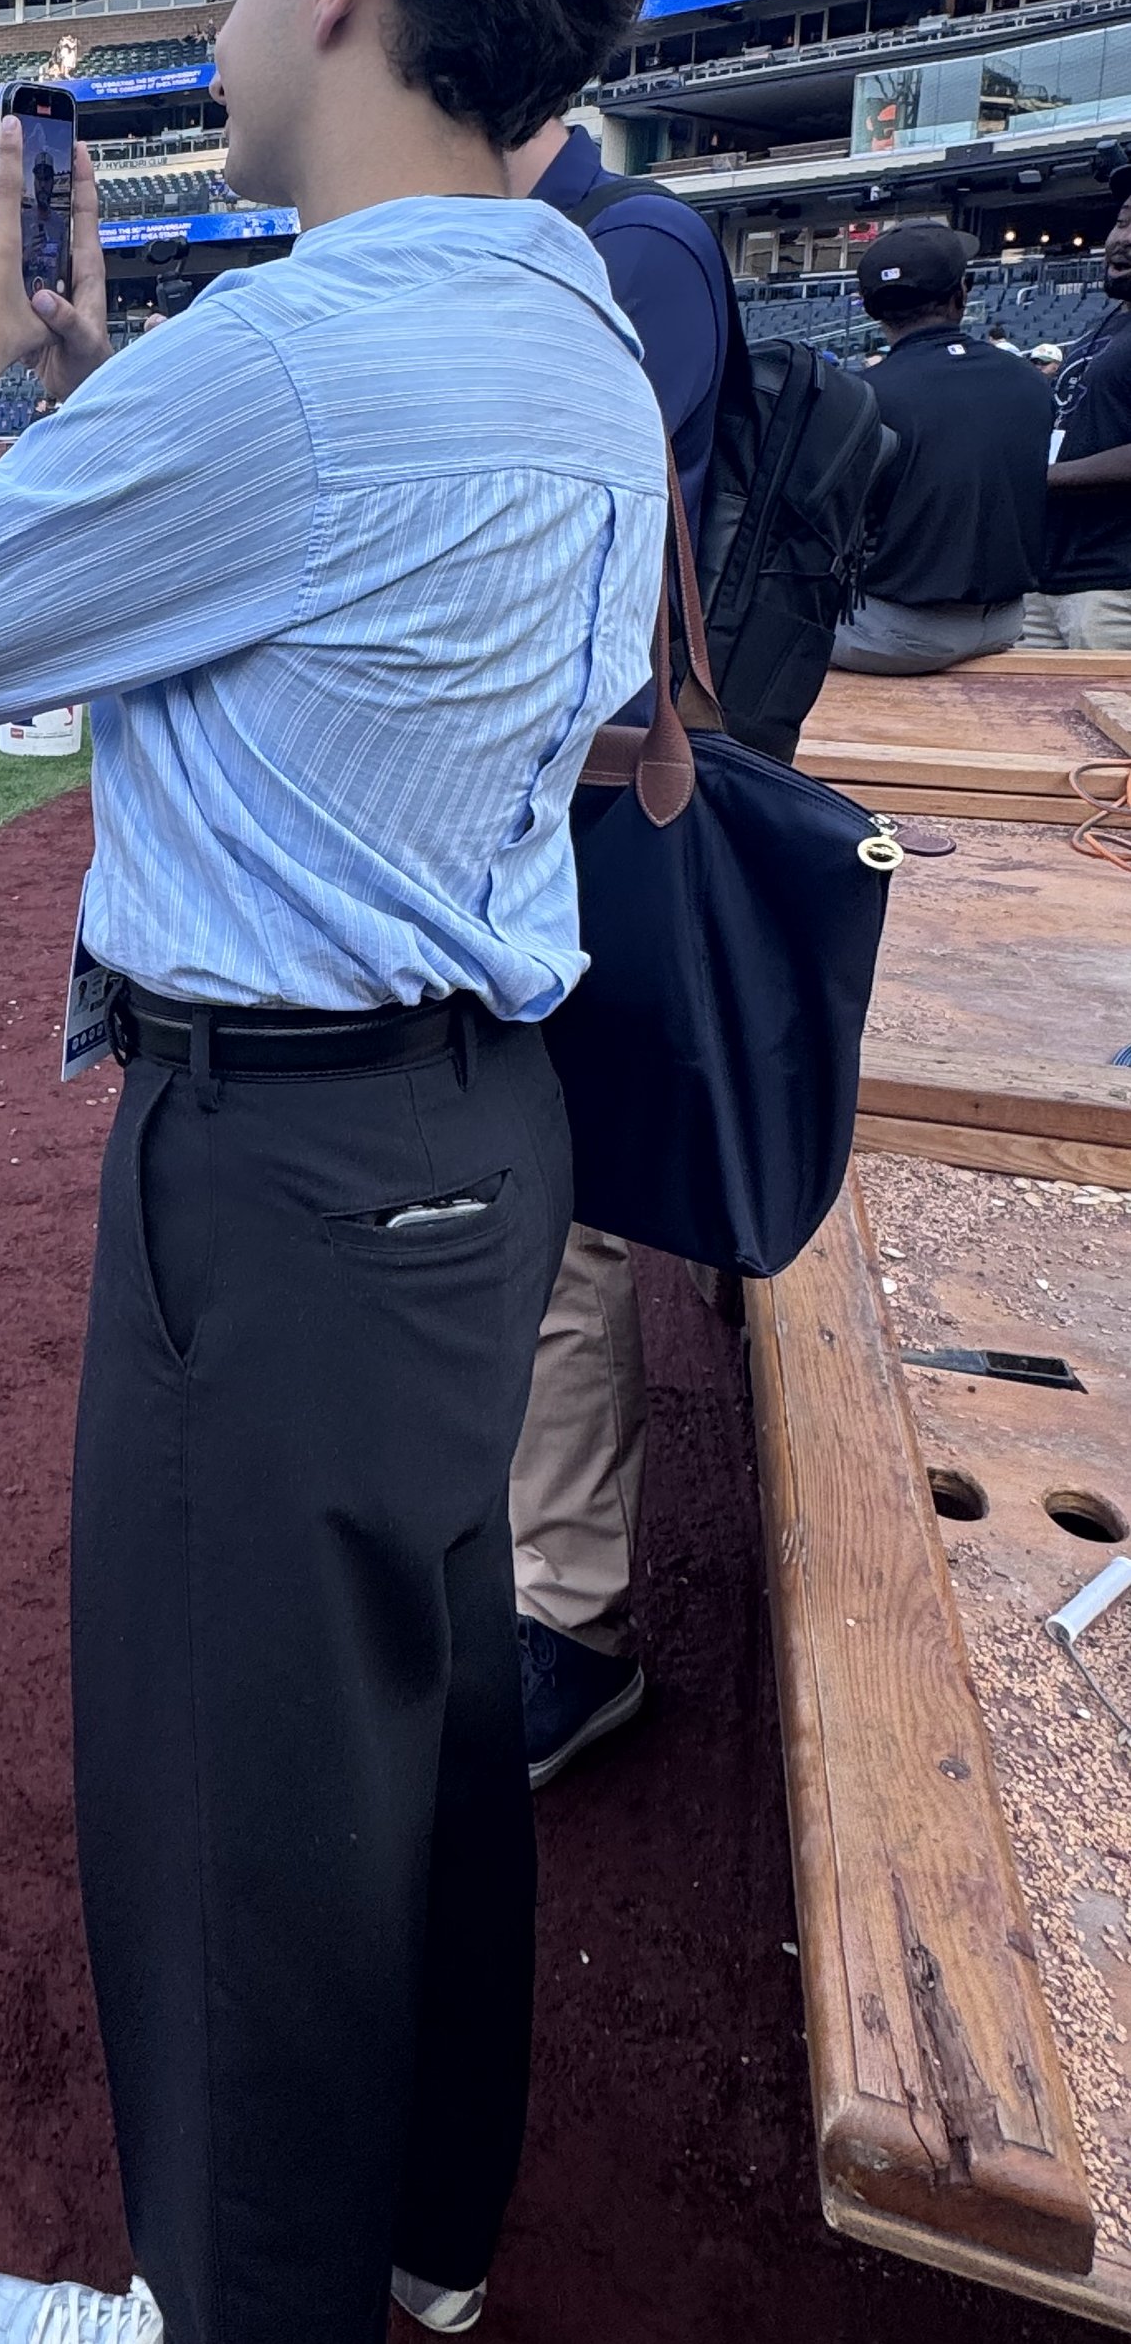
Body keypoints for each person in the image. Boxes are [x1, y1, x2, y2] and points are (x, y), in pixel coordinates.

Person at [0, 0, 664, 2344]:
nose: (221, 9)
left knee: (234, 1807)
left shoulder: (281, 359)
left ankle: (236, 2302)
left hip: (273, 1165)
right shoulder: (577, 314)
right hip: (480, 1124)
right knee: (419, 1702)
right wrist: (86, 409)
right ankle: (423, 2236)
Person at [496, 102, 731, 1791]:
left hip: (599, 791)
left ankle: (565, 1625)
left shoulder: (628, 239)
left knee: (572, 1218)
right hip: (548, 793)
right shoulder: (561, 237)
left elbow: (565, 536)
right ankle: (526, 1576)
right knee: (539, 1201)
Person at [831, 226, 1053, 673]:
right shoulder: (1031, 380)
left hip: (896, 635)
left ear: (873, 309)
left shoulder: (860, 394)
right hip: (1006, 623)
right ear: (960, 294)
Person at [1024, 186, 1131, 650]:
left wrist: (1040, 477)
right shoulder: (1103, 326)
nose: (1122, 238)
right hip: (1048, 578)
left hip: (1113, 585)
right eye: (1123, 221)